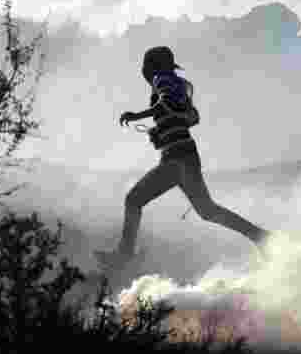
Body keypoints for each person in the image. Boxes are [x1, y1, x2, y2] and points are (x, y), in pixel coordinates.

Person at [94, 46, 269, 276]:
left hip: (176, 160)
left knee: (133, 200)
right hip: (186, 156)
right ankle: (259, 236)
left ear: (151, 67)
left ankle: (124, 254)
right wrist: (161, 130)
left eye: (146, 67)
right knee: (207, 210)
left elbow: (167, 102)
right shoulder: (179, 86)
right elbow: (191, 117)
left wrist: (136, 115)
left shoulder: (161, 79)